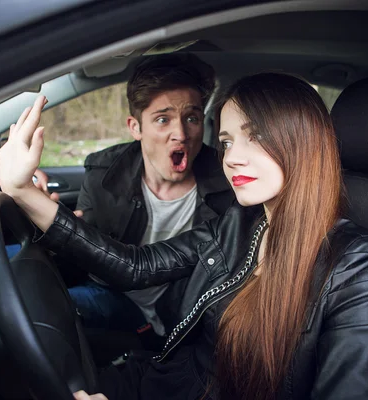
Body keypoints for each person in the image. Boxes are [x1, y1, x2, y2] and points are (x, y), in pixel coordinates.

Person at [0, 72, 368, 400]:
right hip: (159, 379)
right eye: (227, 142)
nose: (231, 157)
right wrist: (23, 192)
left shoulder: (353, 264)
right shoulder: (240, 224)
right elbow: (136, 266)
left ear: (301, 139)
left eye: (255, 136)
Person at [34, 54, 235, 340]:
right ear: (135, 127)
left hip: (185, 309)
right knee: (35, 291)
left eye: (191, 118)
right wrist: (48, 225)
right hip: (116, 293)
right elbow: (84, 254)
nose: (180, 133)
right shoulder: (103, 173)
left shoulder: (229, 184)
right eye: (162, 119)